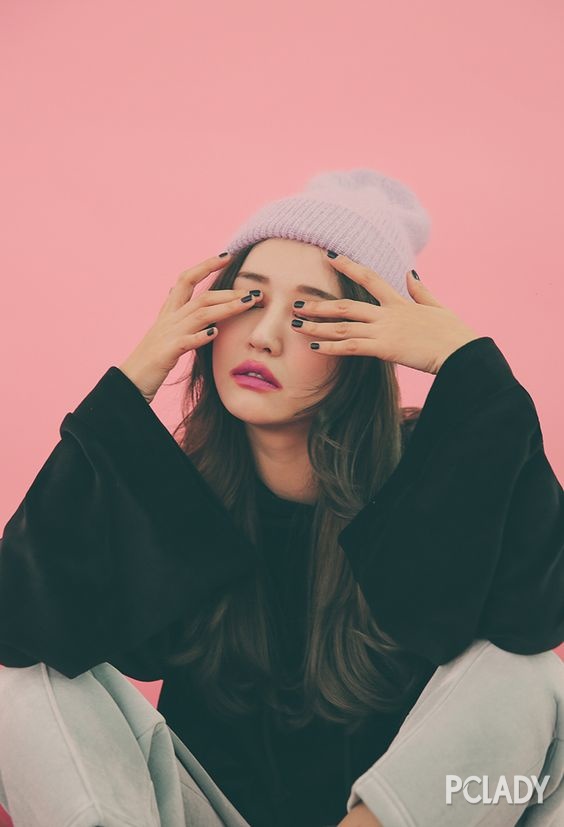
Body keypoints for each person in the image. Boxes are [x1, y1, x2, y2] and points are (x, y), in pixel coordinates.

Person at [0, 169, 562, 827]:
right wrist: (131, 383)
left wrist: (471, 369)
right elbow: (19, 618)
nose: (263, 335)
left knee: (530, 676)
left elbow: (531, 621)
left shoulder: (427, 477)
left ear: (368, 343)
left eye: (306, 314)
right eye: (247, 299)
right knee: (21, 668)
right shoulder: (176, 485)